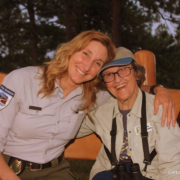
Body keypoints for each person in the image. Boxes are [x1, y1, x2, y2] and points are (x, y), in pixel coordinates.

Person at [0, 30, 175, 180]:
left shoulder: (92, 95)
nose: (87, 66)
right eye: (86, 53)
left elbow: (126, 87)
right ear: (71, 50)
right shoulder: (22, 80)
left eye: (98, 63)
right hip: (9, 169)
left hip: (54, 172)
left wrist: (159, 90)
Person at [77, 47, 180, 180]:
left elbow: (173, 164)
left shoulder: (159, 107)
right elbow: (68, 130)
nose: (117, 79)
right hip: (108, 174)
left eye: (123, 70)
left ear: (137, 74)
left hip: (150, 176)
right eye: (108, 74)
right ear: (105, 83)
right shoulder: (99, 112)